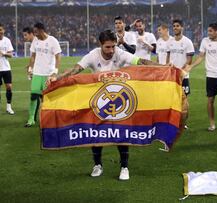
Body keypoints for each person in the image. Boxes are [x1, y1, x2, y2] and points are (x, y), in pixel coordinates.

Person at [47, 30, 160, 180]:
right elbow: (75, 70)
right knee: (96, 133)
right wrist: (57, 77)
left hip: (119, 101)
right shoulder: (93, 55)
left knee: (121, 132)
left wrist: (163, 66)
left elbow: (140, 62)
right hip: (99, 101)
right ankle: (97, 165)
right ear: (100, 45)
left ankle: (124, 167)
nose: (111, 50)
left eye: (113, 46)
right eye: (107, 47)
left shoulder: (120, 53)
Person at [184, 23, 217, 131]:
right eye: (208, 31)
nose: (208, 33)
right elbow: (201, 56)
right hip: (210, 76)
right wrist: (191, 66)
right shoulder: (205, 41)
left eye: (211, 31)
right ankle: (212, 124)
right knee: (210, 99)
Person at [25, 22, 61, 127]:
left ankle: (49, 119)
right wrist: (30, 68)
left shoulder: (53, 41)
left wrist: (55, 71)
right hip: (37, 73)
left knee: (47, 98)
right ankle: (31, 119)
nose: (34, 34)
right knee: (33, 96)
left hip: (48, 74)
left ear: (41, 30)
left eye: (36, 32)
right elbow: (33, 56)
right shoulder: (35, 41)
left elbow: (58, 56)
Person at [167, 19, 195, 129]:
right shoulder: (170, 42)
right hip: (172, 76)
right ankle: (174, 121)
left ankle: (183, 123)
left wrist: (181, 71)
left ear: (182, 27)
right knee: (172, 99)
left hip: (183, 76)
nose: (175, 28)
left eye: (177, 26)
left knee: (183, 101)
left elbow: (189, 60)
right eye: (174, 26)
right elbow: (168, 58)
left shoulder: (187, 42)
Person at [0, 23, 15, 115]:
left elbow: (11, 55)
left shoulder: (7, 40)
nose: (0, 32)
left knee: (9, 87)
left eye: (1, 30)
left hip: (6, 68)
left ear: (3, 30)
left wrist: (3, 53)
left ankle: (8, 107)